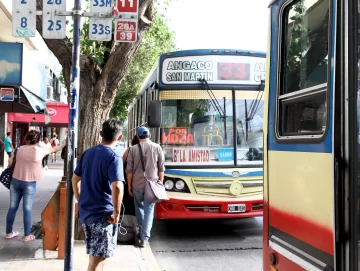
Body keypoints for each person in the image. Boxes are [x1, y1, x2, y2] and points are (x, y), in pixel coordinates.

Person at [71, 119, 125, 271]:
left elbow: (75, 179)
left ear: (101, 134)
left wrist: (79, 199)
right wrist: (117, 212)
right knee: (98, 259)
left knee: (96, 255)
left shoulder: (88, 153)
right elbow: (117, 186)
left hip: (87, 212)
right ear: (119, 138)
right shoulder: (114, 157)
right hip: (102, 215)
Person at [5, 130, 65, 242]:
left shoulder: (19, 149)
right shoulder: (40, 151)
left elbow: (9, 163)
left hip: (15, 181)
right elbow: (55, 149)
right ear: (38, 140)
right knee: (27, 209)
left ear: (27, 138)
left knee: (12, 207)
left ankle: (9, 232)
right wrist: (64, 143)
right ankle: (27, 235)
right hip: (29, 183)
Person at [126, 127, 165, 248]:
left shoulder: (133, 149)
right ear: (149, 136)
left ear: (138, 137)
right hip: (152, 185)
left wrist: (129, 185)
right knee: (149, 210)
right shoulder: (157, 147)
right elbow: (161, 168)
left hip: (137, 184)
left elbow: (129, 170)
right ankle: (144, 238)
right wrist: (161, 183)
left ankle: (143, 234)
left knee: (140, 209)